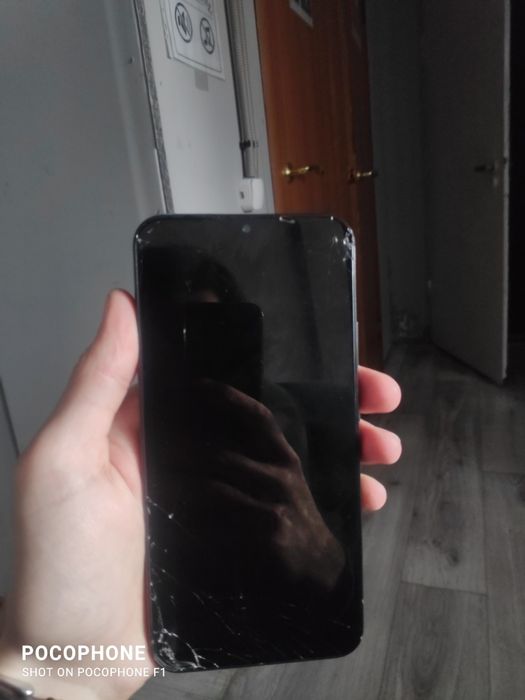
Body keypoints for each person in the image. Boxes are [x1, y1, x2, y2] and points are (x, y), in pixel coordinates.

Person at [0, 290, 402, 699]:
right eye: (194, 340)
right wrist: (65, 672)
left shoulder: (276, 416)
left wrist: (324, 558)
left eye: (226, 338)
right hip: (179, 599)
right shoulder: (140, 438)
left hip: (272, 598)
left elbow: (298, 526)